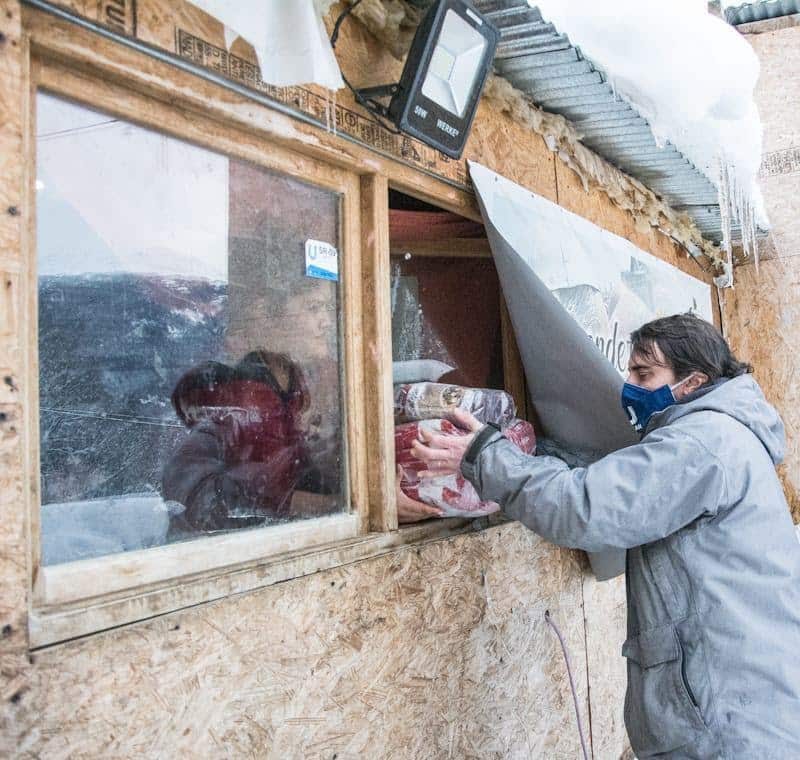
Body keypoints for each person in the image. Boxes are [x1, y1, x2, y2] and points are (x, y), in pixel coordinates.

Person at [410, 313, 800, 759]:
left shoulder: (701, 444)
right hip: (751, 702)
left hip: (729, 725)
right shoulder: (724, 434)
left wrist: (484, 455)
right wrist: (540, 454)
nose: (630, 386)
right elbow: (628, 480)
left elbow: (585, 509)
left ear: (692, 382)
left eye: (644, 374)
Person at [163, 350, 336, 537]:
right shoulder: (219, 429)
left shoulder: (284, 443)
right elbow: (206, 503)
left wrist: (327, 464)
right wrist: (317, 504)